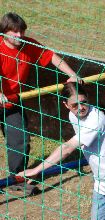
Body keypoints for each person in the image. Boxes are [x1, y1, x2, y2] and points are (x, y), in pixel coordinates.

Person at [18, 83, 105, 220]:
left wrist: (36, 170)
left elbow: (68, 148)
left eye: (84, 102)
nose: (81, 107)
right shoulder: (72, 115)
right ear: (65, 105)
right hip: (102, 182)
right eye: (75, 104)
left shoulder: (96, 120)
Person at [0, 12, 82, 196]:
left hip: (11, 101)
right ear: (4, 32)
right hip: (2, 96)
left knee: (20, 139)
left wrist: (72, 74)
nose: (20, 36)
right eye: (15, 32)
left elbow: (51, 56)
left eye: (22, 31)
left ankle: (17, 179)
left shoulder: (29, 45)